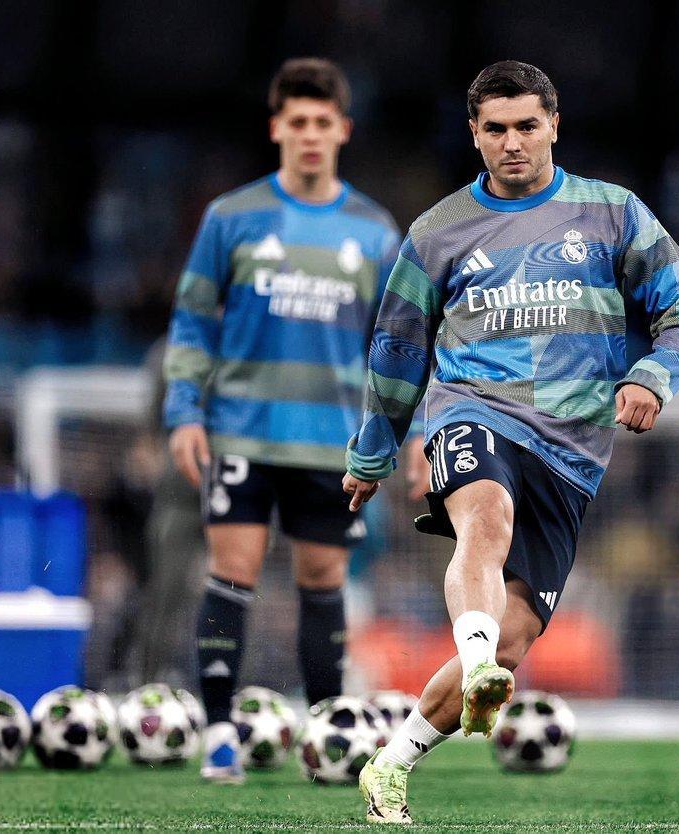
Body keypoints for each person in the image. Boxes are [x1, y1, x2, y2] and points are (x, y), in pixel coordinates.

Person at [342, 60, 679, 824]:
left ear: (553, 125)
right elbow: (397, 350)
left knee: (513, 644)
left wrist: (650, 375)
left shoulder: (615, 214)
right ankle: (476, 665)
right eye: (495, 130)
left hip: (573, 452)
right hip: (473, 411)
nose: (513, 143)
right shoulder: (436, 232)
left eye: (526, 126)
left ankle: (392, 761)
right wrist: (374, 453)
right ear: (474, 136)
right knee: (486, 517)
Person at [162, 57, 401, 784]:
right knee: (230, 573)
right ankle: (218, 736)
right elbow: (193, 321)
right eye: (295, 122)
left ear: (343, 131)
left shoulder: (373, 228)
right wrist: (183, 411)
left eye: (321, 123)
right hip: (240, 429)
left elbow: (393, 346)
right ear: (276, 128)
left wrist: (398, 432)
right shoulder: (230, 217)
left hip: (331, 442)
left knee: (323, 579)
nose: (308, 134)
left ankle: (328, 733)